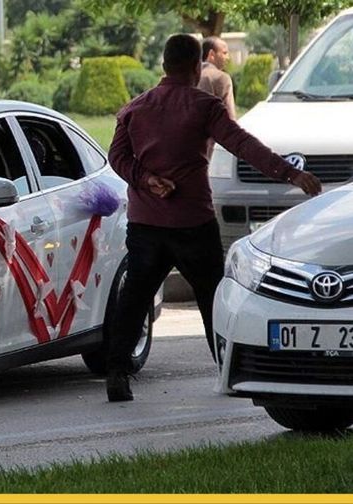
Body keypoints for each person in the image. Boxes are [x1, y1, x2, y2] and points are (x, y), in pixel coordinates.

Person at [105, 34, 322, 403]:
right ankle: (227, 369)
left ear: (163, 66)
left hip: (145, 224)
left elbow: (117, 158)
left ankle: (116, 375)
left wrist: (147, 180)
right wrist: (291, 173)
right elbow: (242, 144)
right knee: (212, 299)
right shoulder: (204, 106)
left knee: (134, 299)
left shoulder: (134, 108)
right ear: (196, 67)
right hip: (192, 222)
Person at [198, 36, 236, 120]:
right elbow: (230, 118)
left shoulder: (189, 76)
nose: (228, 58)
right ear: (211, 54)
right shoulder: (221, 77)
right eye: (224, 53)